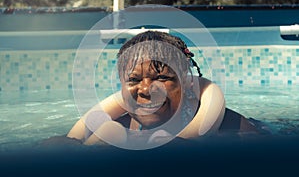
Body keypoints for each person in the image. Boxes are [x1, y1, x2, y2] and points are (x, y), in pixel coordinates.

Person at [67, 30, 262, 147]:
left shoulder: (233, 129)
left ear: (186, 83)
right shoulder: (121, 125)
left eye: (161, 78)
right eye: (133, 79)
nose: (146, 90)